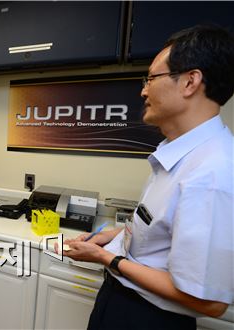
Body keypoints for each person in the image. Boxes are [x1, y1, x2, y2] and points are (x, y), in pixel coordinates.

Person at [60, 25, 234, 329]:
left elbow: (208, 301)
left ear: (190, 82)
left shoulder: (213, 173)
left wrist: (107, 259)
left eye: (151, 78)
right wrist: (110, 238)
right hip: (120, 300)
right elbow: (163, 234)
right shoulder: (177, 154)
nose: (143, 90)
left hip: (148, 318)